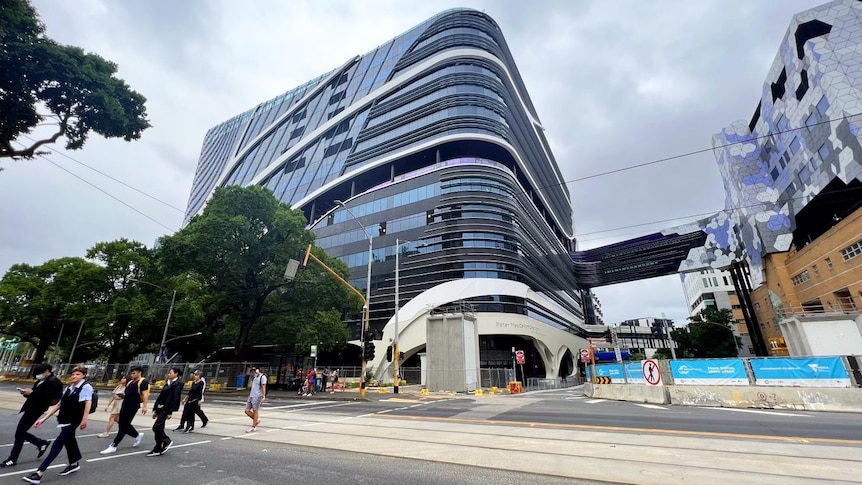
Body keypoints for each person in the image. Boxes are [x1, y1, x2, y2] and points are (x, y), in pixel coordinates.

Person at [22, 365, 93, 484]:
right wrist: (43, 419)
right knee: (70, 441)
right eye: (73, 374)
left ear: (84, 376)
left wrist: (84, 419)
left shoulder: (86, 387)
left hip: (74, 420)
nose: (74, 376)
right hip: (64, 419)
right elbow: (59, 404)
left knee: (57, 444)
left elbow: (88, 402)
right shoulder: (70, 387)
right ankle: (74, 463)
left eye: (78, 374)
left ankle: (40, 473)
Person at [1, 363, 62, 469]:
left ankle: (13, 458)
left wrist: (32, 393)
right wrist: (27, 393)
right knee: (20, 432)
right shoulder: (41, 380)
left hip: (37, 409)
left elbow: (52, 399)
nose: (38, 375)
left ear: (48, 371)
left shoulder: (54, 382)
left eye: (40, 373)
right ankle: (41, 443)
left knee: (20, 433)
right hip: (31, 408)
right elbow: (36, 394)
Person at [100, 366, 148, 454]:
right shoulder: (130, 382)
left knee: (122, 427)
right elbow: (129, 394)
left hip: (133, 406)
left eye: (134, 373)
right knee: (123, 424)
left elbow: (145, 394)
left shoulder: (143, 382)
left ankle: (114, 445)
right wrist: (123, 396)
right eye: (131, 373)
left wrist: (145, 406)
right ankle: (137, 435)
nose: (132, 375)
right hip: (125, 405)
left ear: (139, 373)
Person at [147, 367, 184, 457]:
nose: (169, 374)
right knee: (159, 428)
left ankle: (167, 441)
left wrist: (170, 412)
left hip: (166, 409)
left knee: (156, 427)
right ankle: (158, 447)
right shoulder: (167, 383)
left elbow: (175, 398)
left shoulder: (177, 384)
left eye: (170, 373)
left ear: (176, 374)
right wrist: (155, 409)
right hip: (160, 407)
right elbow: (161, 396)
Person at [243, 367, 266, 432]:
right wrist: (250, 395)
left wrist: (263, 396)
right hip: (251, 396)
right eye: (252, 371)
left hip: (257, 396)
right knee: (247, 410)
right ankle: (256, 420)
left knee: (255, 410)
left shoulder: (262, 377)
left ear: (258, 370)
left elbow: (263, 387)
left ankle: (253, 426)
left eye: (254, 371)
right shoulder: (255, 378)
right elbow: (253, 388)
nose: (253, 372)